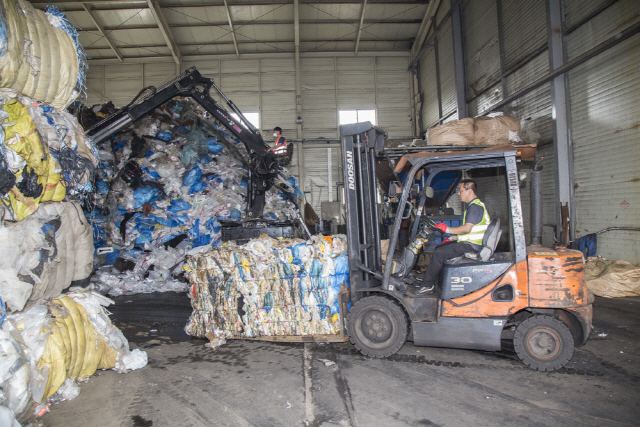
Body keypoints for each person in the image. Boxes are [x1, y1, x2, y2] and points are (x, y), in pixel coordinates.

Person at [415, 179, 490, 294]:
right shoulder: (473, 206)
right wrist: (452, 238)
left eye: (460, 191)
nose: (459, 194)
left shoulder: (475, 207)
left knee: (439, 254)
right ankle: (430, 278)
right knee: (439, 249)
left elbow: (467, 229)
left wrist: (447, 229)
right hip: (470, 243)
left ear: (469, 191)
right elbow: (471, 233)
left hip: (472, 246)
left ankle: (428, 285)